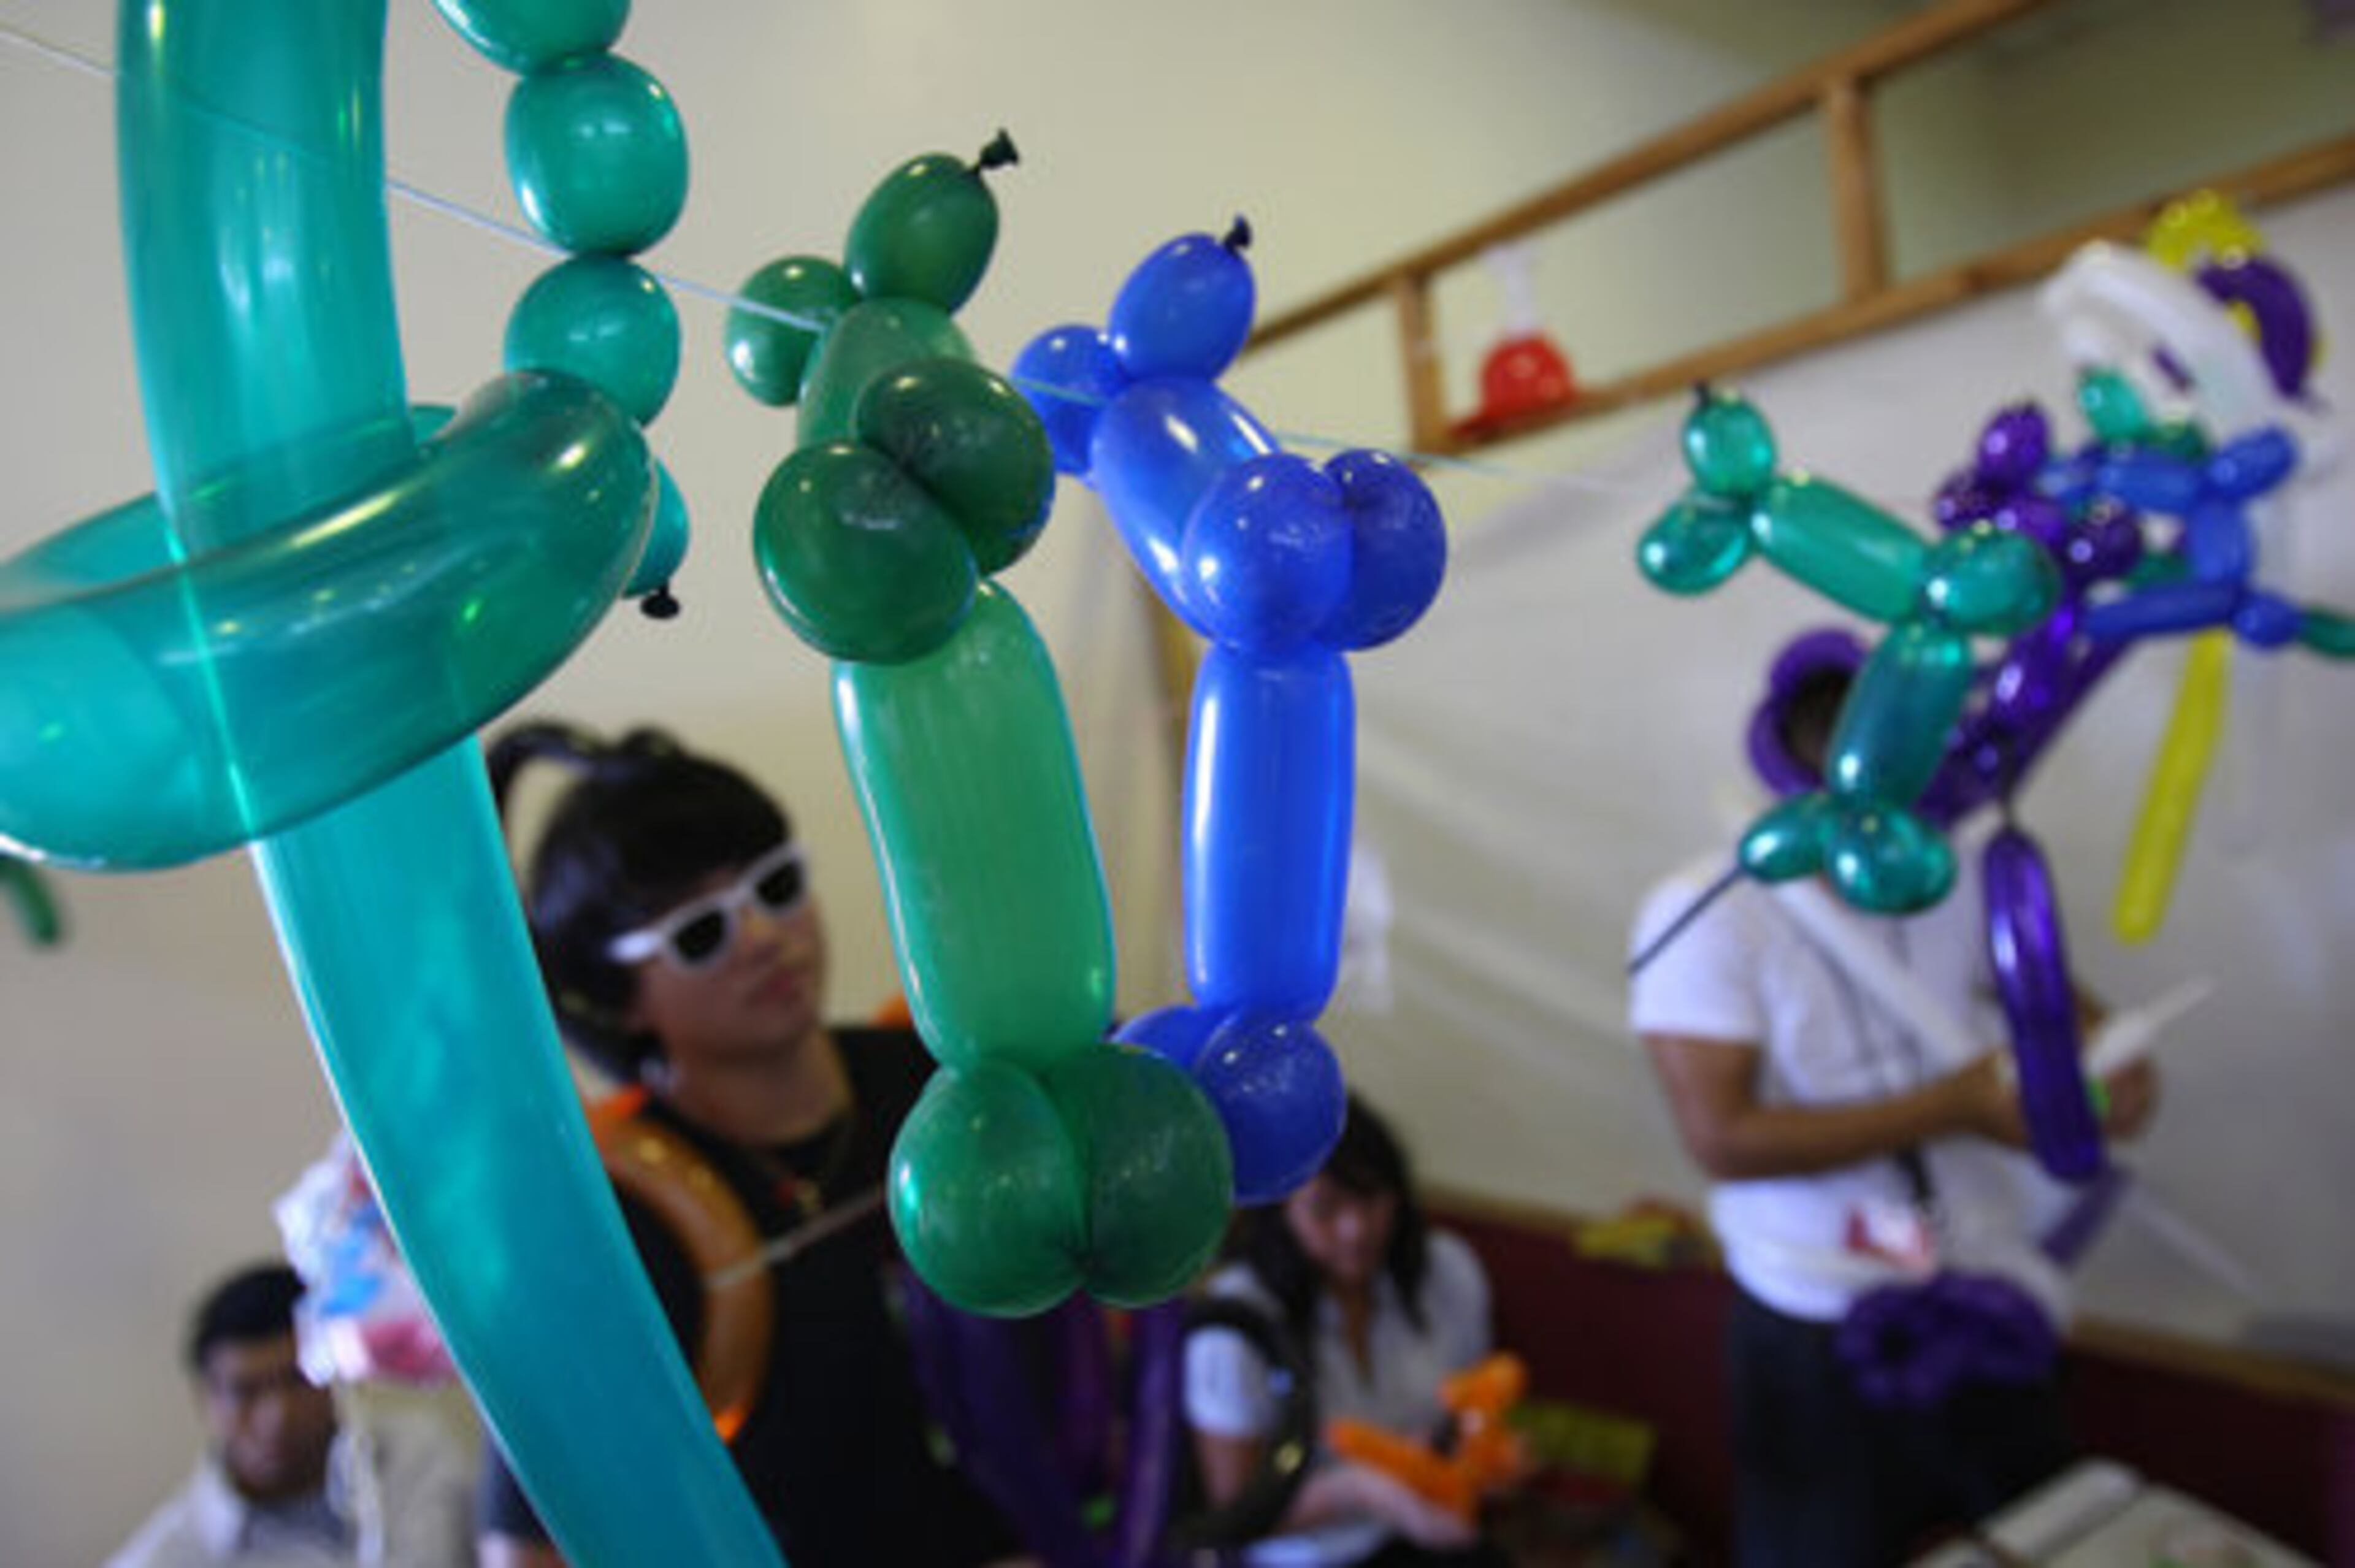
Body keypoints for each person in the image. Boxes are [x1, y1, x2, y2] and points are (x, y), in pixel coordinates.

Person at [1627, 665, 2159, 1567]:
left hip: (1981, 1274)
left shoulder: (1954, 871)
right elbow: (1724, 1139)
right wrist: (1954, 1109)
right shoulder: (1709, 909)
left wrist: (2111, 1070)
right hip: (1816, 1308)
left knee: (2050, 1535)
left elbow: (2068, 1018)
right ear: (1803, 772)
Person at [475, 722, 1024, 1568]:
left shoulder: (943, 1077)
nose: (766, 937)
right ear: (619, 998)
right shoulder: (618, 1228)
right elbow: (526, 1548)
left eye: (777, 886)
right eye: (700, 932)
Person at [1183, 1094, 1515, 1568]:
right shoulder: (1238, 1320)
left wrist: (1485, 1457)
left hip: (1428, 1531)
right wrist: (1359, 1490)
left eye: (1372, 1198)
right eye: (1325, 1209)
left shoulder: (1447, 1270)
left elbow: (1470, 1411)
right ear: (1282, 1212)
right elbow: (1235, 1511)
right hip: (1308, 1556)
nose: (1355, 1229)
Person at [107, 1261, 475, 1568]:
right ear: (205, 1400)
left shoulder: (421, 1458)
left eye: (298, 1379)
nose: (278, 1414)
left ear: (335, 1368)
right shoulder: (164, 1560)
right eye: (246, 1392)